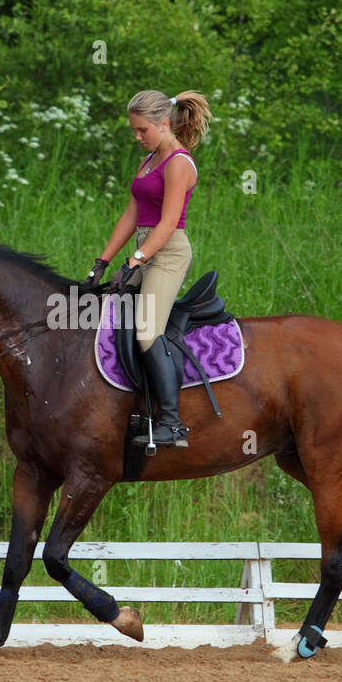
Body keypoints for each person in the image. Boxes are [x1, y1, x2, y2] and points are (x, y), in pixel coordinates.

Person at [86, 89, 213, 448]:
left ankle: (173, 423)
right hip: (144, 249)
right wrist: (103, 261)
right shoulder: (148, 161)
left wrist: (136, 260)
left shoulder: (178, 162)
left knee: (146, 330)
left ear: (163, 123)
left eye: (142, 130)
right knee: (106, 312)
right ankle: (135, 406)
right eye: (134, 130)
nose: (137, 137)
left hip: (168, 253)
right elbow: (131, 215)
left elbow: (169, 222)